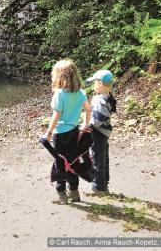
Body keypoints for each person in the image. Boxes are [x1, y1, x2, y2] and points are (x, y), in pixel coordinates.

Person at [42, 59, 91, 204]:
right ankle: (74, 192)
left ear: (59, 77)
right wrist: (85, 124)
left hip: (60, 134)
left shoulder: (59, 94)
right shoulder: (81, 92)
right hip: (74, 132)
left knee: (60, 162)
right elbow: (88, 109)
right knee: (72, 161)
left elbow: (56, 115)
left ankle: (61, 194)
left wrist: (48, 133)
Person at [86, 69, 117, 194]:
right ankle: (104, 184)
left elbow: (97, 119)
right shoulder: (109, 97)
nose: (93, 86)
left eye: (94, 83)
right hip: (105, 133)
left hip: (98, 133)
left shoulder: (99, 99)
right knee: (104, 158)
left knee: (96, 158)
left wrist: (87, 125)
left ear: (99, 83)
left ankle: (98, 187)